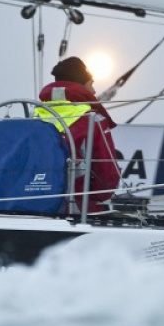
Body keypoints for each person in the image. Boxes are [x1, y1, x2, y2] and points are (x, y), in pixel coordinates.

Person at [36, 56, 121, 213]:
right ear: (80, 86)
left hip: (34, 207)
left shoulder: (35, 117)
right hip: (78, 209)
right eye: (91, 84)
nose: (94, 91)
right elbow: (108, 176)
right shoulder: (92, 120)